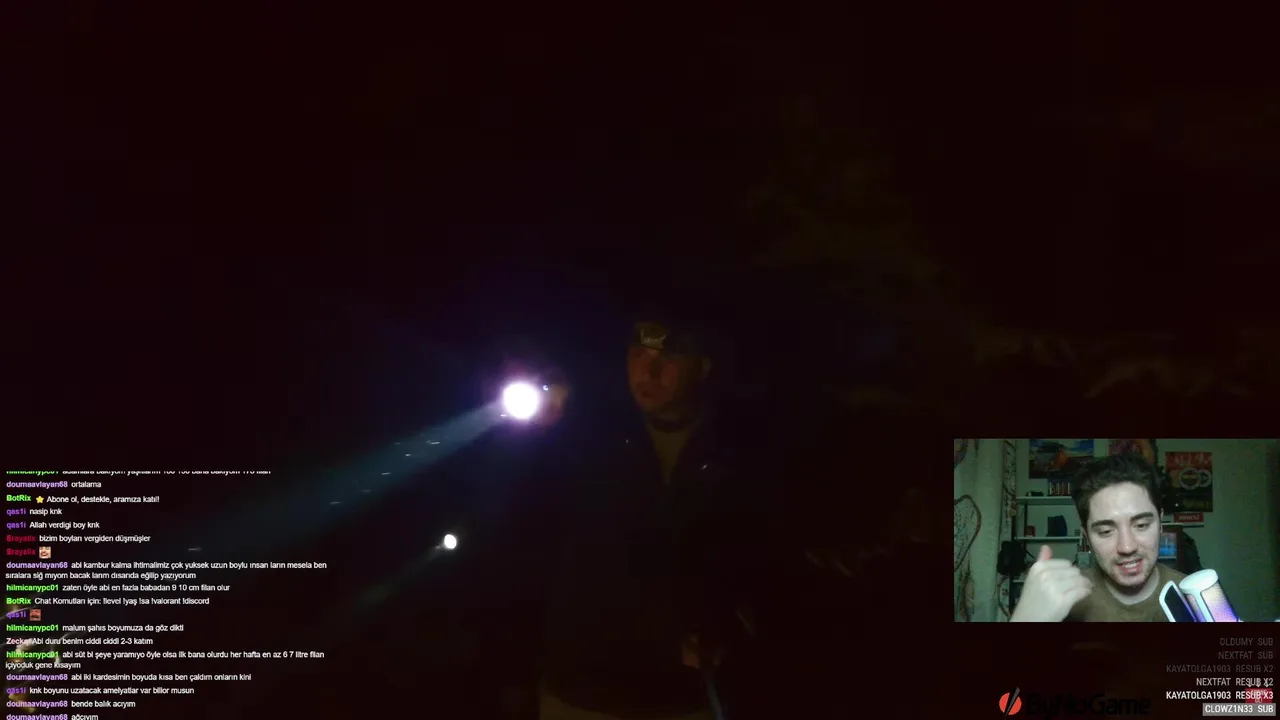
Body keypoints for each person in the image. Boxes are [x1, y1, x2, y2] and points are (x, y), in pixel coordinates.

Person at [535, 310, 750, 720]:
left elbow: (754, 561)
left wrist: (725, 625)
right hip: (581, 693)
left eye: (668, 358)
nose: (648, 372)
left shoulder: (736, 453)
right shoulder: (588, 439)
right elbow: (527, 539)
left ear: (702, 368)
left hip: (682, 698)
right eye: (638, 355)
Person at [1011, 454, 1186, 622]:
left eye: (1141, 525)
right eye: (1105, 531)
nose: (1127, 547)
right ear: (1086, 536)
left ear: (1160, 524)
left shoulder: (1192, 597)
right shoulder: (1061, 601)